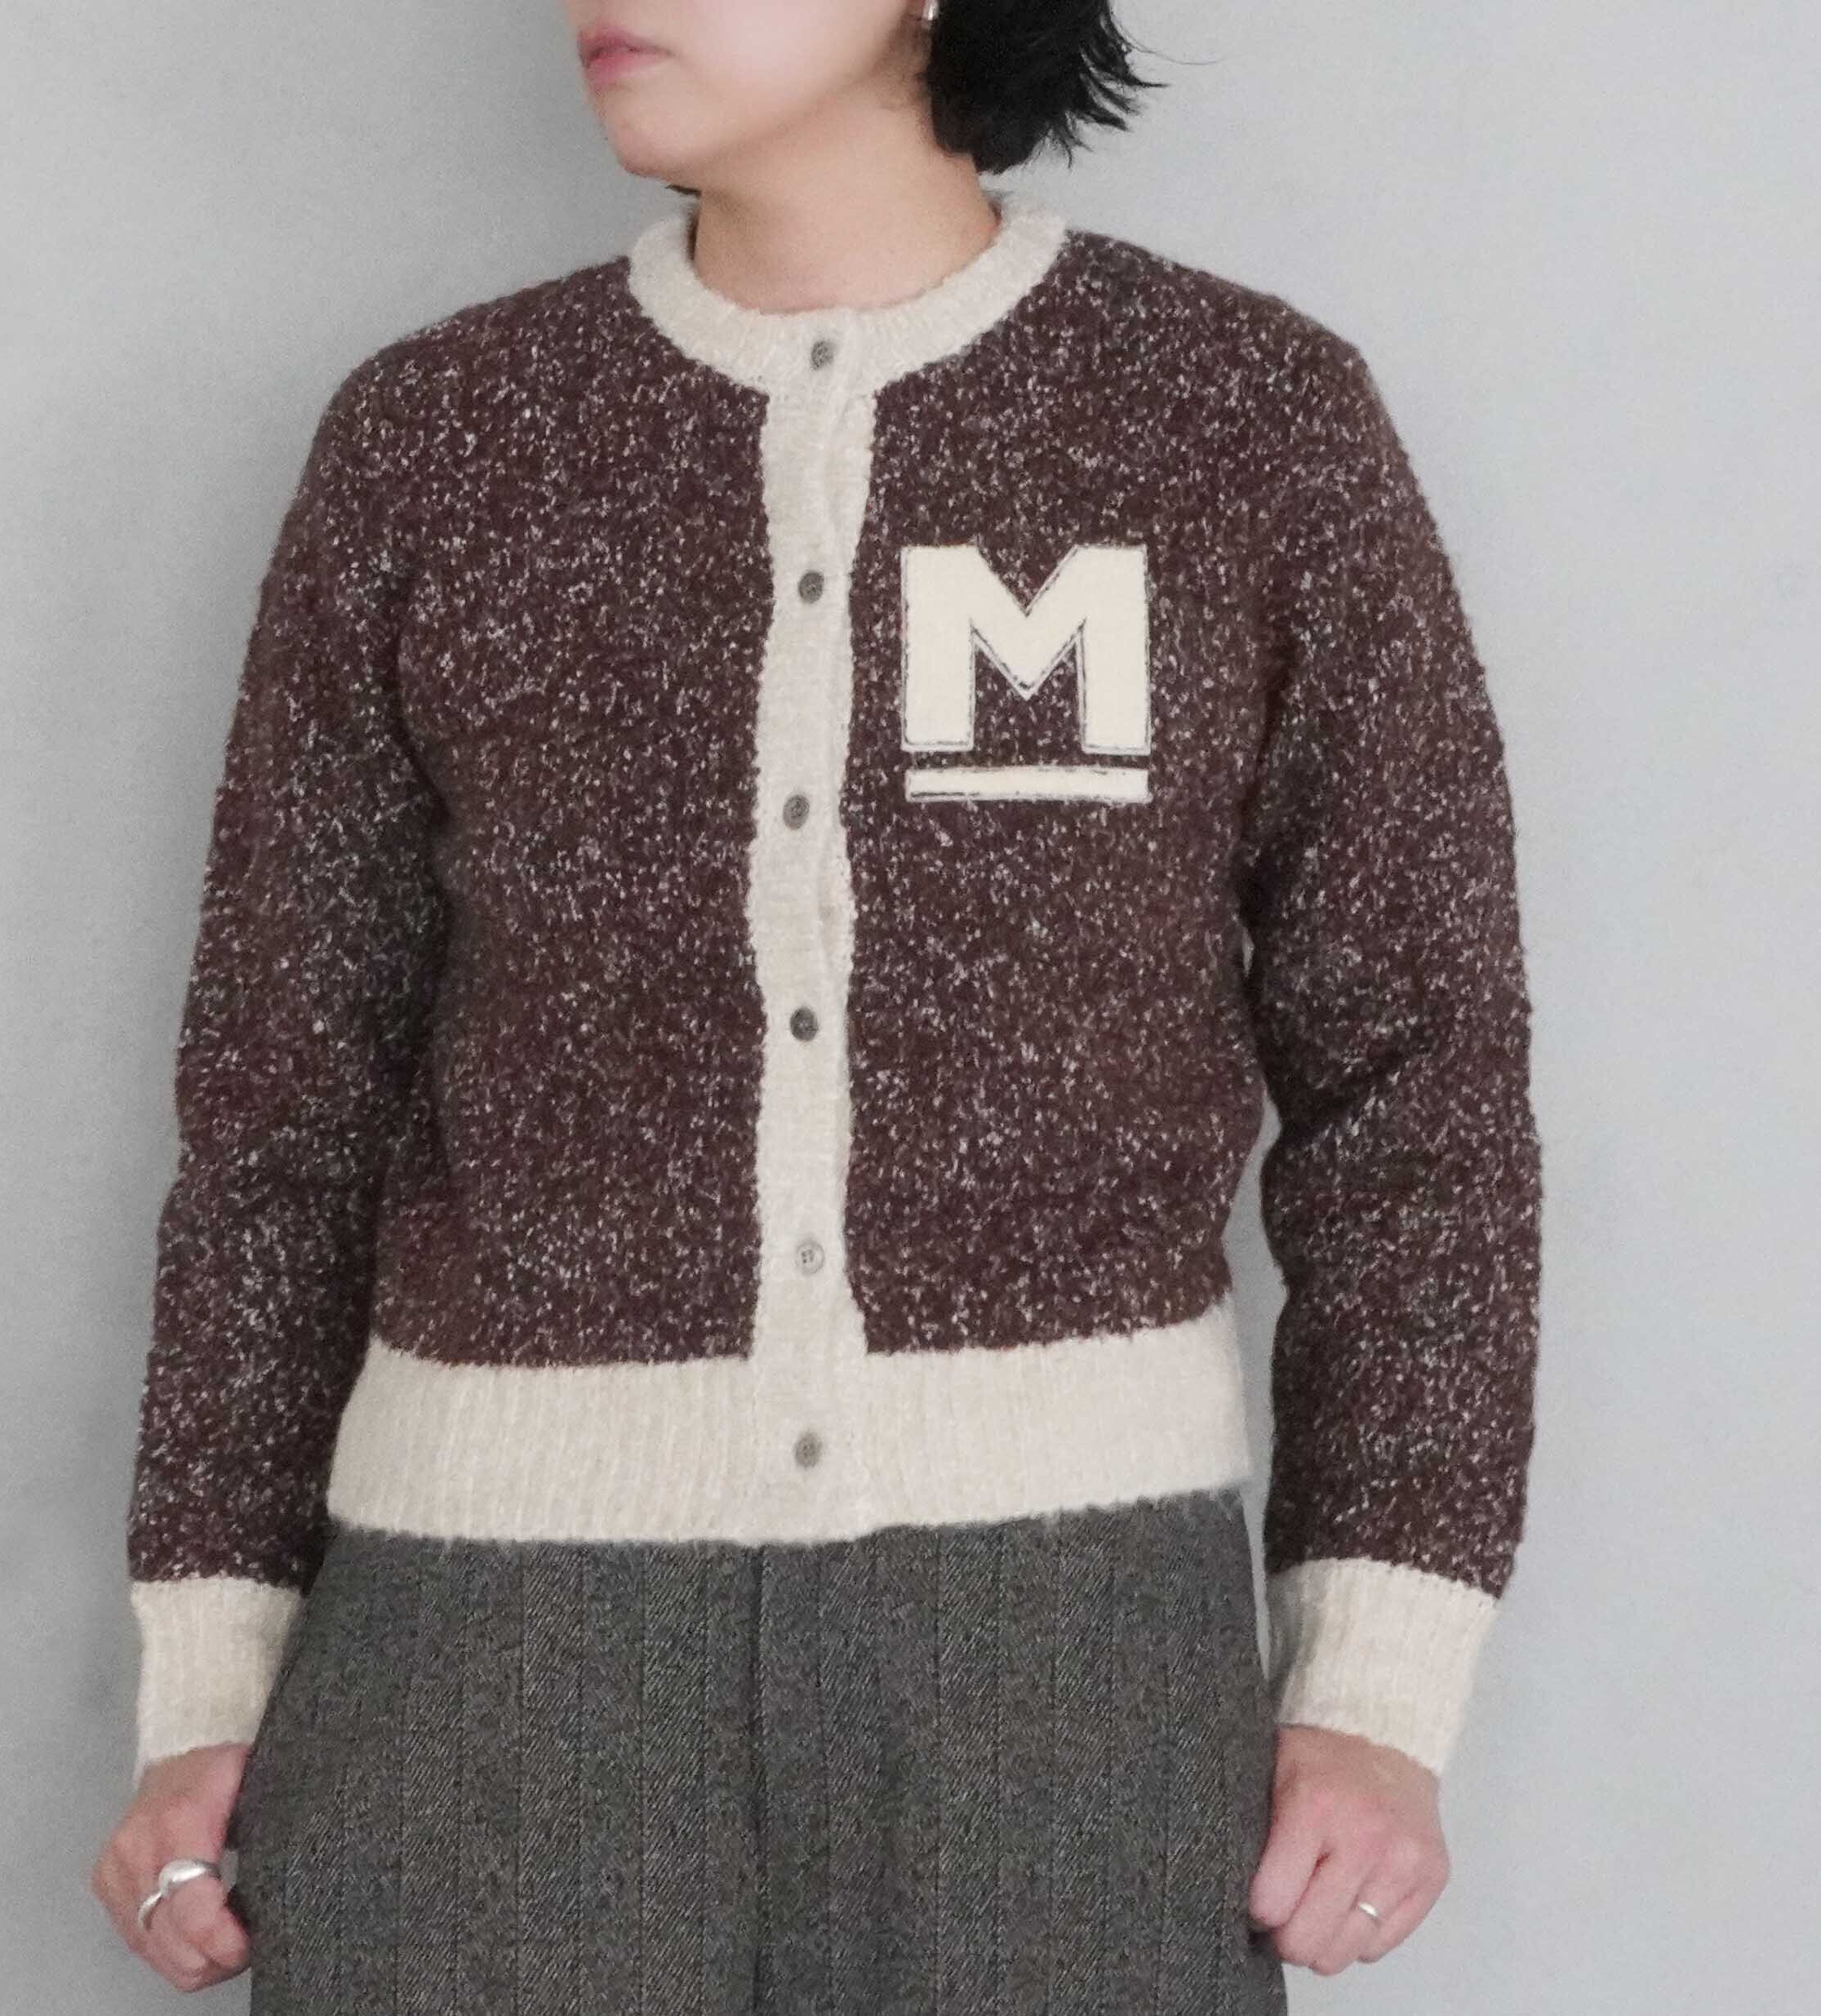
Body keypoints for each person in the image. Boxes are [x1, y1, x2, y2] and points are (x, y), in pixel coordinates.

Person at [89, 1, 1543, 2005]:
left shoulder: (1233, 418)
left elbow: (1417, 1090)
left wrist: (1374, 1678)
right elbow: (281, 1110)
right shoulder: (437, 438)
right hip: (473, 1663)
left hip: (1070, 1660)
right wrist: (207, 1672)